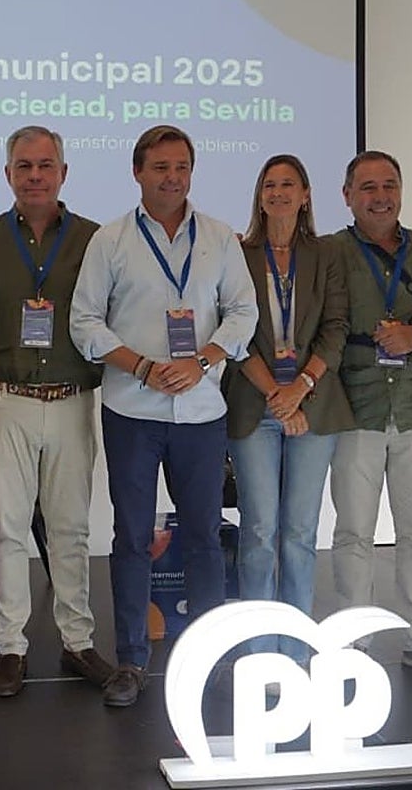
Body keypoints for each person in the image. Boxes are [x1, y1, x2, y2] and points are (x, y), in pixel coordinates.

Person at [70, 124, 258, 708]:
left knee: (204, 536)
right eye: (159, 167)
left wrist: (203, 359)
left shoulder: (221, 238)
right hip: (132, 408)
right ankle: (130, 660)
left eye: (181, 167)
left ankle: (208, 653)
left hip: (201, 412)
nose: (171, 178)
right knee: (130, 536)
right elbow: (85, 323)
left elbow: (243, 312)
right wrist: (144, 367)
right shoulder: (112, 240)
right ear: (137, 172)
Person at [0, 125, 111, 699]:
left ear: (64, 173)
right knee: (7, 531)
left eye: (46, 165)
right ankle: (12, 647)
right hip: (4, 399)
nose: (36, 176)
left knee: (70, 527)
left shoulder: (97, 240)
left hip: (71, 400)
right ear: (9, 175)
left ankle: (78, 642)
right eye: (24, 166)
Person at [328, 150, 412, 682]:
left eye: (388, 185)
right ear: (348, 196)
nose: (379, 196)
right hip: (354, 404)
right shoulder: (330, 252)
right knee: (354, 530)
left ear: (401, 191)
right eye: (367, 187)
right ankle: (353, 639)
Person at [222, 154, 352, 665]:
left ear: (305, 195)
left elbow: (337, 327)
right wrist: (277, 393)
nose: (278, 192)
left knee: (299, 532)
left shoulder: (326, 254)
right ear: (259, 196)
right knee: (258, 530)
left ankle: (297, 648)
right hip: (255, 404)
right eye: (269, 184)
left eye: (288, 184)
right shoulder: (238, 253)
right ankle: (258, 647)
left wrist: (299, 387)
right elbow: (230, 330)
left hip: (313, 405)